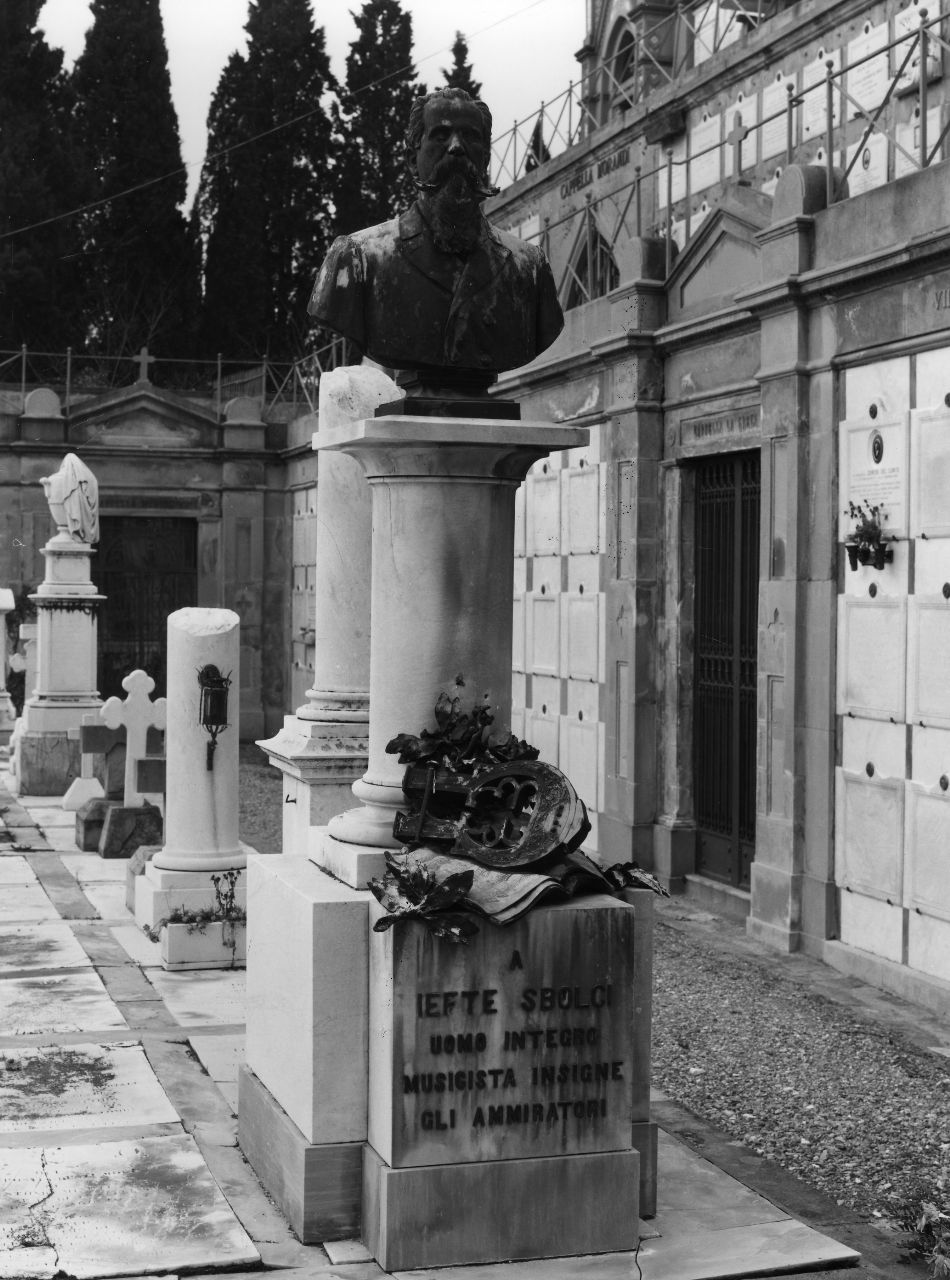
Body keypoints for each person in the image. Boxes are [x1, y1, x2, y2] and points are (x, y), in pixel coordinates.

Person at [309, 88, 563, 381]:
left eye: (470, 136)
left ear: (486, 157)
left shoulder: (529, 269)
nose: (456, 147)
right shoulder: (357, 259)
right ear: (410, 158)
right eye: (440, 136)